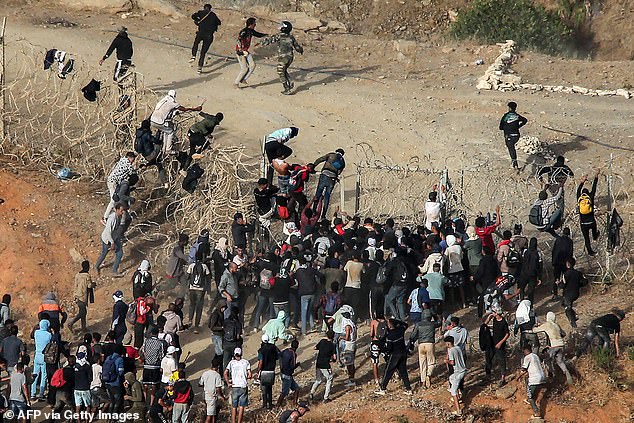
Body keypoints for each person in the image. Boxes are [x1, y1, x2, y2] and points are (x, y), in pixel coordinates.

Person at [150, 90, 202, 155]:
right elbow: (184, 109)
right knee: (171, 131)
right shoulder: (173, 103)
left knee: (167, 130)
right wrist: (195, 109)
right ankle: (168, 150)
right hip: (159, 122)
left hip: (152, 120)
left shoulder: (162, 102)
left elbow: (165, 111)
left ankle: (164, 148)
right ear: (174, 96)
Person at [260, 21, 304, 94]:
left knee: (280, 71)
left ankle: (287, 88)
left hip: (283, 57)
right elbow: (297, 47)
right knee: (284, 70)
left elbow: (269, 41)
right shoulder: (291, 37)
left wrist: (262, 41)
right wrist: (301, 50)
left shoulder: (279, 35)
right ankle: (290, 81)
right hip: (290, 57)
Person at [374, 319, 412, 395]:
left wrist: (380, 348)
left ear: (390, 326)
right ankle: (409, 389)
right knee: (403, 371)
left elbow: (388, 348)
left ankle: (383, 388)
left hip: (394, 355)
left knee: (388, 371)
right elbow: (405, 324)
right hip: (403, 353)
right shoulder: (401, 330)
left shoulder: (390, 335)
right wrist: (396, 321)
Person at [408, 305, 439, 388]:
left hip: (421, 344)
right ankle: (428, 375)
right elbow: (439, 322)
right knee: (431, 362)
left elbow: (413, 335)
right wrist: (434, 315)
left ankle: (423, 381)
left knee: (422, 363)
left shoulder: (418, 324)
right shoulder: (432, 324)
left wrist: (411, 343)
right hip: (430, 343)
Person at [103, 152, 137, 224]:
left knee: (117, 199)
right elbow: (133, 173)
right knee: (114, 200)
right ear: (130, 157)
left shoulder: (122, 160)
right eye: (133, 159)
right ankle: (105, 218)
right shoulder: (127, 164)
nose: (133, 161)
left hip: (112, 181)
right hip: (113, 182)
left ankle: (119, 216)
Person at [541, 312, 573, 384]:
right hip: (561, 346)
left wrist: (534, 327)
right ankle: (568, 376)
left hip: (553, 346)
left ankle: (551, 376)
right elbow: (564, 334)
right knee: (560, 362)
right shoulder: (556, 325)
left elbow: (535, 330)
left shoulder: (547, 324)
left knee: (548, 360)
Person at [235, 17, 268, 87]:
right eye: (254, 23)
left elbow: (258, 35)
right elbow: (239, 40)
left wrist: (267, 35)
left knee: (252, 65)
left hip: (245, 51)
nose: (255, 24)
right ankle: (236, 83)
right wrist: (240, 49)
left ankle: (243, 79)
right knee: (244, 68)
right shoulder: (244, 31)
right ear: (251, 24)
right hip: (241, 51)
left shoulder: (251, 31)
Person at [312, 149, 345, 219]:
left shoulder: (331, 155)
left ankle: (314, 211)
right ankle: (323, 215)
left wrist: (313, 166)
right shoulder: (342, 162)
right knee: (327, 196)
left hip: (324, 175)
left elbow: (320, 159)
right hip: (332, 179)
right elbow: (338, 172)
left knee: (318, 193)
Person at [96, 203, 127, 277]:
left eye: (123, 211)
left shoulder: (119, 216)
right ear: (116, 210)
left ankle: (114, 271)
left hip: (114, 238)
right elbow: (108, 232)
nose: (122, 212)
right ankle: (96, 266)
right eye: (121, 210)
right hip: (107, 239)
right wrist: (112, 243)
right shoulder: (112, 218)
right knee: (104, 253)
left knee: (119, 253)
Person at [190, 3, 222, 73]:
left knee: (196, 43)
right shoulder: (213, 15)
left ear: (204, 8)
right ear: (210, 9)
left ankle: (193, 56)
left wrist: (198, 20)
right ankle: (199, 68)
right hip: (209, 35)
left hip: (201, 33)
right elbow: (219, 23)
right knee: (203, 52)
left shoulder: (201, 12)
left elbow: (193, 16)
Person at [483, 305, 509, 386]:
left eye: (494, 312)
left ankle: (503, 378)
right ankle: (488, 376)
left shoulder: (503, 322)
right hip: (492, 342)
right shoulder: (494, 319)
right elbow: (484, 325)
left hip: (499, 344)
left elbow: (507, 334)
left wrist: (500, 343)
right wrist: (489, 317)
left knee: (501, 360)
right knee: (488, 359)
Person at [224, 347, 251, 423]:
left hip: (234, 386)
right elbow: (250, 375)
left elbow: (225, 373)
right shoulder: (246, 362)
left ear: (234, 355)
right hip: (243, 386)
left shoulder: (231, 363)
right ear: (241, 354)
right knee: (242, 406)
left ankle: (233, 421)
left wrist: (228, 383)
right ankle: (239, 422)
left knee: (234, 406)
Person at [68, 260, 95, 333]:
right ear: (87, 267)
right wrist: (93, 284)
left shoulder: (77, 275)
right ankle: (71, 323)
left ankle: (84, 328)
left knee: (83, 312)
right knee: (82, 312)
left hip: (77, 295)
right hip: (83, 296)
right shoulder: (86, 275)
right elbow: (89, 285)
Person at [498, 101, 527, 168]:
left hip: (509, 135)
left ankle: (514, 164)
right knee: (512, 148)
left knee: (511, 148)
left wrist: (507, 127)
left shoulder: (506, 116)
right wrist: (518, 126)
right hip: (516, 135)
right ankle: (514, 163)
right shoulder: (517, 116)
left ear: (509, 108)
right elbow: (525, 120)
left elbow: (500, 127)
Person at [560, 257, 587, 328]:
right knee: (564, 304)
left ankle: (573, 324)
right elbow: (585, 281)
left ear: (568, 264)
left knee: (567, 308)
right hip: (576, 293)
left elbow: (562, 285)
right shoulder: (578, 273)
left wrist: (558, 283)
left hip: (568, 294)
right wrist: (578, 285)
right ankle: (574, 315)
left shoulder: (565, 274)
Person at [141, 326, 165, 406]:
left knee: (145, 384)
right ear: (157, 334)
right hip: (155, 367)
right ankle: (151, 403)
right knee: (154, 385)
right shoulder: (160, 343)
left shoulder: (146, 341)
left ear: (151, 333)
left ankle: (145, 400)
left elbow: (142, 351)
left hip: (147, 366)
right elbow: (161, 356)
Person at [187, 253, 211, 332]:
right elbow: (208, 278)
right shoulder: (204, 266)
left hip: (192, 288)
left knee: (192, 305)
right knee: (199, 307)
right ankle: (196, 326)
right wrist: (208, 290)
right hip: (201, 289)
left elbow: (187, 277)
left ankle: (190, 320)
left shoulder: (191, 266)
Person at [577, 172, 600, 255]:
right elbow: (594, 188)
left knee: (586, 239)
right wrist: (596, 176)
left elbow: (578, 190)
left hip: (583, 223)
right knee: (594, 229)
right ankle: (595, 236)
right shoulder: (590, 197)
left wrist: (582, 181)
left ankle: (590, 252)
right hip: (591, 222)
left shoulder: (579, 198)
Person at [309, 331, 336, 402]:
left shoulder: (322, 341)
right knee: (330, 378)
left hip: (318, 363)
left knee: (318, 380)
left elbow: (315, 348)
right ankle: (326, 398)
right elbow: (334, 357)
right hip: (325, 365)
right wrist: (332, 360)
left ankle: (311, 393)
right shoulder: (332, 345)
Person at [521, 344, 546, 419]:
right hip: (542, 377)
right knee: (536, 393)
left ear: (525, 350)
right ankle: (535, 400)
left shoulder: (527, 357)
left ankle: (536, 412)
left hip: (534, 379)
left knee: (529, 396)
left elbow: (523, 370)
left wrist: (518, 377)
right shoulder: (535, 356)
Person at [444, 335, 467, 417]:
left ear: (448, 343)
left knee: (453, 391)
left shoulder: (451, 350)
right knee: (451, 379)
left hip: (458, 373)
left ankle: (458, 411)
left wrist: (446, 361)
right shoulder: (458, 348)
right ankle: (458, 396)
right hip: (463, 370)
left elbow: (452, 363)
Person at [256, 334, 279, 410]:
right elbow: (278, 356)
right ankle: (270, 404)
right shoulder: (273, 347)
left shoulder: (261, 350)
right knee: (270, 389)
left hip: (264, 372)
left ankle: (265, 404)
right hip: (272, 371)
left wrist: (258, 371)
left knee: (264, 389)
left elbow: (261, 362)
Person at [31, 318, 51, 401]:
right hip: (44, 356)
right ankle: (41, 394)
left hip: (37, 355)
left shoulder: (36, 333)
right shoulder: (49, 335)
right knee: (44, 375)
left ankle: (33, 393)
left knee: (35, 374)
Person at [199, 358, 225, 423]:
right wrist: (222, 396)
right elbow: (218, 388)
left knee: (213, 413)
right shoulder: (217, 375)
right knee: (209, 416)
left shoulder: (205, 373)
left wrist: (206, 385)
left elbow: (200, 384)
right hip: (211, 397)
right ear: (218, 366)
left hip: (205, 395)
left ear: (211, 365)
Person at [551, 227, 573, 298]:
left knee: (556, 278)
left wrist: (553, 261)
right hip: (565, 263)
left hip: (557, 262)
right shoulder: (570, 241)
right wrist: (569, 262)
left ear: (563, 232)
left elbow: (553, 251)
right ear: (569, 234)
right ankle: (565, 293)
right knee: (566, 278)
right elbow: (570, 253)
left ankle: (555, 293)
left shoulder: (558, 240)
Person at [222, 307, 243, 372]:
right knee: (237, 361)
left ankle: (226, 376)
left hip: (226, 344)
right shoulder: (238, 323)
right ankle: (235, 374)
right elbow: (238, 336)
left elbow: (223, 331)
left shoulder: (225, 321)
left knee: (226, 361)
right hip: (235, 345)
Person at [73, 350, 93, 417]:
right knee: (88, 406)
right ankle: (87, 419)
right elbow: (90, 378)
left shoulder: (75, 366)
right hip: (85, 389)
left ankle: (78, 420)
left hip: (76, 389)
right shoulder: (87, 366)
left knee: (77, 406)